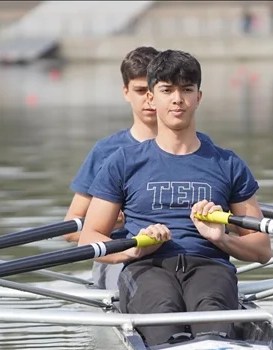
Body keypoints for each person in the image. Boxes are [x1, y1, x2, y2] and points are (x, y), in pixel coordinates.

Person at [79, 50, 272, 346]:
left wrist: (221, 239)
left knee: (211, 317)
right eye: (167, 90)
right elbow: (88, 238)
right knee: (164, 314)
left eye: (186, 89)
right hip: (146, 267)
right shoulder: (123, 161)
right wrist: (134, 250)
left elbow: (262, 249)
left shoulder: (227, 163)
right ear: (152, 99)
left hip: (210, 266)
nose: (177, 99)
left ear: (199, 97)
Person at [64, 46, 213, 291]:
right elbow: (71, 228)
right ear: (126, 92)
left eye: (153, 90)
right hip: (125, 257)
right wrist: (115, 226)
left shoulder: (203, 147)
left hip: (190, 255)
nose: (148, 100)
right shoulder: (108, 152)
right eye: (140, 90)